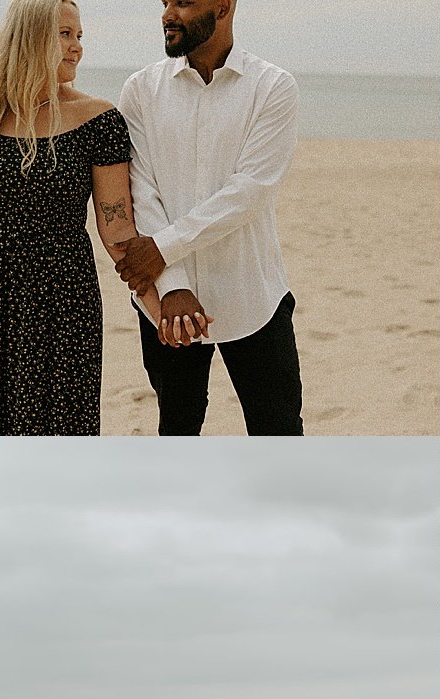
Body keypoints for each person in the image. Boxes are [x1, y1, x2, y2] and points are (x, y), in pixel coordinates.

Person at [0, 0, 177, 436]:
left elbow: (117, 230)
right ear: (30, 37)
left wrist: (160, 303)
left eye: (79, 36)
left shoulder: (99, 120)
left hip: (62, 304)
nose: (77, 47)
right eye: (65, 34)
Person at [115, 0, 305, 435]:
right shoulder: (140, 90)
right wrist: (174, 285)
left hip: (253, 296)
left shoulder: (273, 87)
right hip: (164, 305)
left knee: (279, 434)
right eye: (164, 3)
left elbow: (249, 192)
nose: (167, 15)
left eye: (182, 3)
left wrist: (163, 249)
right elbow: (141, 191)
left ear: (223, 5)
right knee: (177, 432)